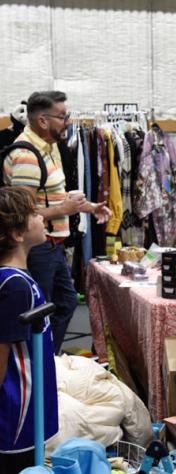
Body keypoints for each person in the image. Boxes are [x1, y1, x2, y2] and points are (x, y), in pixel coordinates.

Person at [3, 91, 112, 354]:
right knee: (41, 311)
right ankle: (38, 363)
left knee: (64, 303)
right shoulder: (27, 156)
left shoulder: (49, 147)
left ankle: (49, 358)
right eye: (63, 116)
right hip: (38, 250)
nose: (68, 122)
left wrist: (89, 207)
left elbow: (55, 195)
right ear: (42, 120)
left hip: (53, 245)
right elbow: (22, 214)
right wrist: (64, 208)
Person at [0, 186, 58, 474]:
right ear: (17, 234)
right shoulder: (14, 286)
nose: (42, 217)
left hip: (29, 406)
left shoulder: (20, 278)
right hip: (16, 417)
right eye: (35, 213)